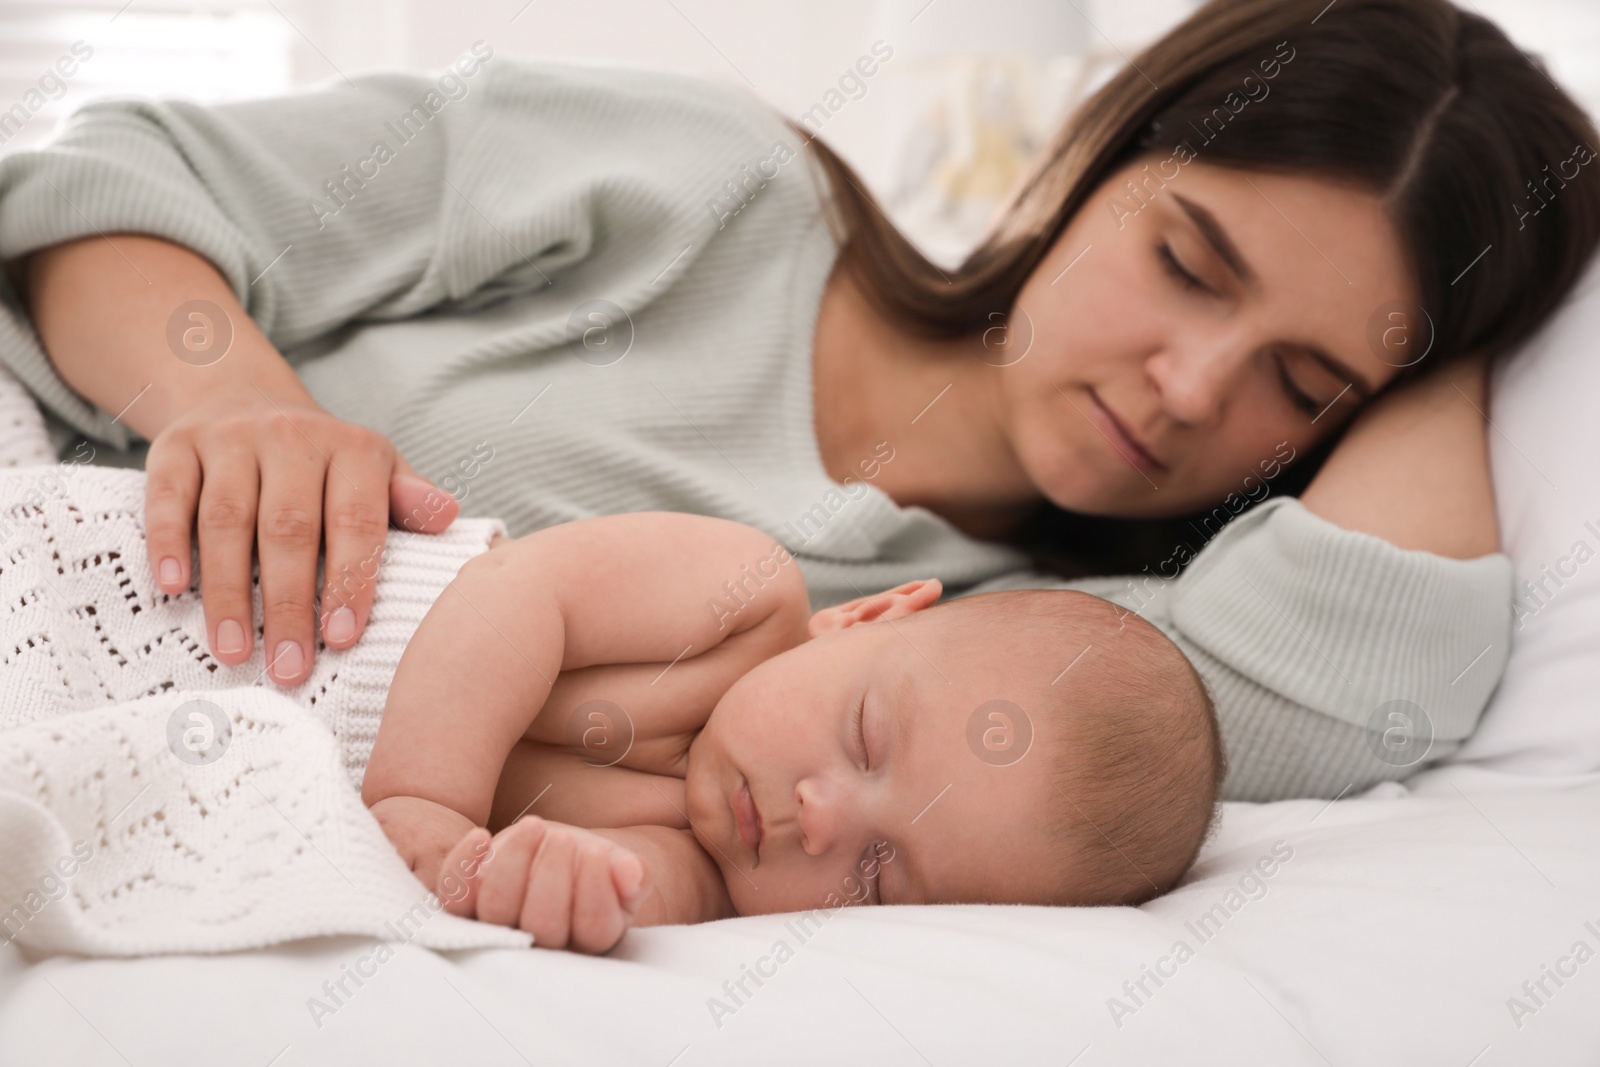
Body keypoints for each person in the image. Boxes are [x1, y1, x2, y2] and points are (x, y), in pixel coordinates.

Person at [1, 0, 1594, 798]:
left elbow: (1378, 663)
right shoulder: (710, 184)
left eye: (1300, 383)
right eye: (1186, 261)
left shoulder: (1019, 651)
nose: (1188, 389)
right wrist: (235, 398)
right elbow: (111, 182)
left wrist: (1459, 315)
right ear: (1101, 159)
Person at [361, 510, 1223, 953]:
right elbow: (522, 592)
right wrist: (425, 798)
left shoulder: (714, 886)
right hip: (307, 598)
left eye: (879, 875)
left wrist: (565, 889)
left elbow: (617, 897)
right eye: (864, 735)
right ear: (867, 615)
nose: (820, 817)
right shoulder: (742, 595)